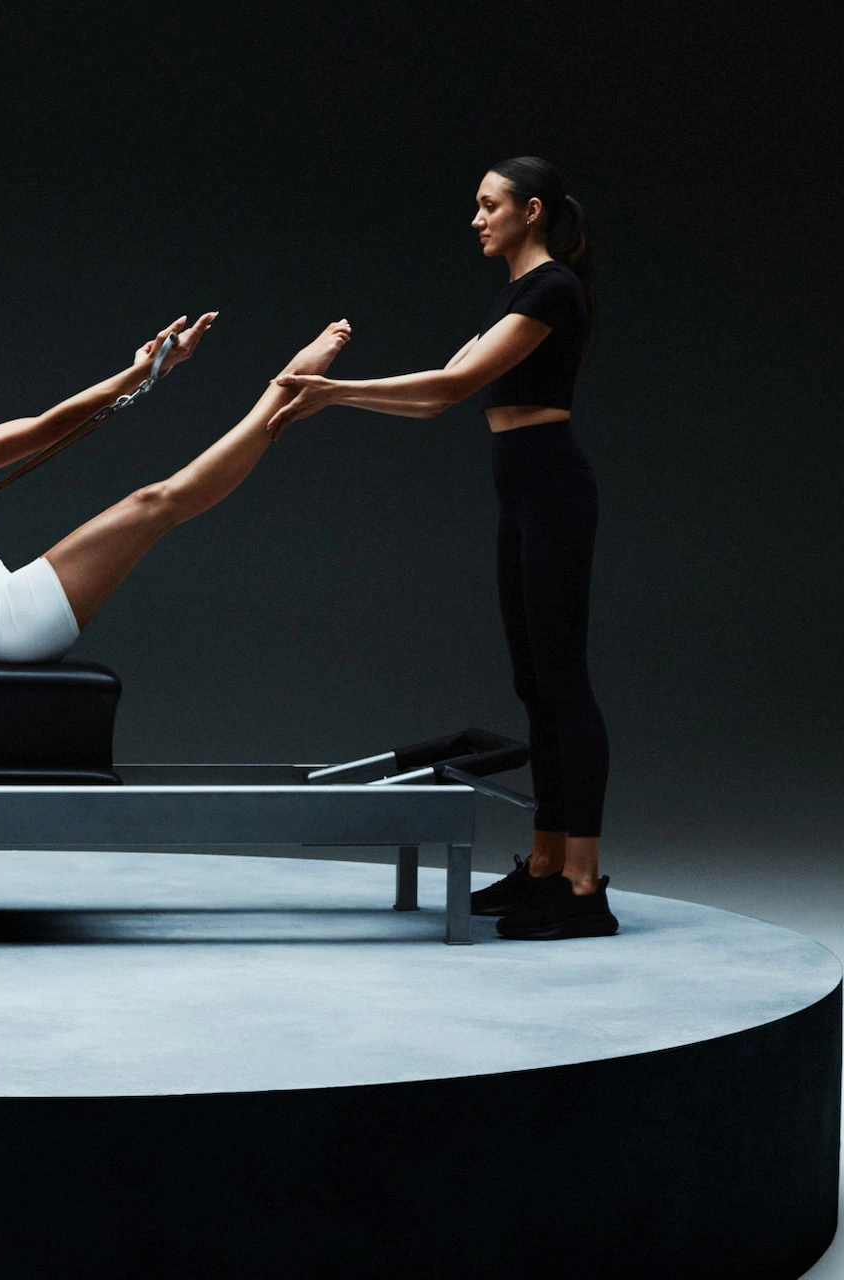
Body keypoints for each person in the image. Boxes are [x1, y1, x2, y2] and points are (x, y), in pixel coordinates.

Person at [267, 156, 615, 941]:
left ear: (531, 212)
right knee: (533, 682)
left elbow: (452, 387)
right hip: (523, 494)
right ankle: (544, 865)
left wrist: (335, 392)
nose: (476, 218)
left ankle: (586, 885)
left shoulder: (551, 288)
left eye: (489, 205)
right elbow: (434, 397)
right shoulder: (514, 296)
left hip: (555, 490)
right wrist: (336, 401)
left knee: (564, 683)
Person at [0, 310, 351, 664]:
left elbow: (40, 428)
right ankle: (284, 388)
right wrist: (144, 370)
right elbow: (42, 429)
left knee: (154, 505)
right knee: (152, 504)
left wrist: (149, 372)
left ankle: (282, 394)